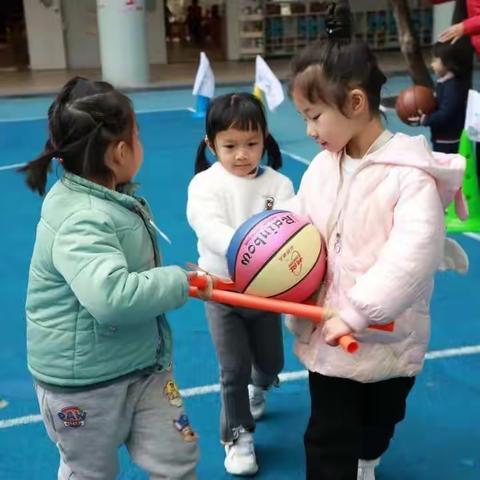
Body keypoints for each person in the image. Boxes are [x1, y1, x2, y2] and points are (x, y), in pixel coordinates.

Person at [285, 9, 466, 480]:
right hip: (330, 337)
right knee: (327, 434)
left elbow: (413, 255)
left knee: (380, 418)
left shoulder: (410, 177)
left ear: (357, 102)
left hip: (388, 335)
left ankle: (370, 452)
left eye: (314, 116)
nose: (310, 130)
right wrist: (263, 270)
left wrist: (361, 310)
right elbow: (297, 230)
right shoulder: (323, 168)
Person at [19, 76, 212, 480]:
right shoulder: (81, 217)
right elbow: (112, 297)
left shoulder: (108, 196)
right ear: (120, 151)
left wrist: (178, 281)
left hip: (144, 366)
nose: (141, 142)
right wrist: (178, 281)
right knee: (89, 471)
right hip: (82, 386)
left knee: (177, 456)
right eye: (137, 135)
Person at [186, 92, 294, 476]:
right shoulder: (204, 185)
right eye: (230, 145)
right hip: (221, 291)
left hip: (265, 295)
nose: (242, 154)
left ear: (265, 139)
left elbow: (291, 228)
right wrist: (250, 249)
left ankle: (260, 386)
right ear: (211, 144)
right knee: (232, 368)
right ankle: (237, 435)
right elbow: (209, 227)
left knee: (270, 364)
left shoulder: (279, 184)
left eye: (251, 144)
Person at [409, 41, 470, 154]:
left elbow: (446, 112)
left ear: (447, 62)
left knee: (447, 167)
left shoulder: (452, 87)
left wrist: (427, 119)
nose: (431, 64)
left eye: (435, 60)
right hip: (443, 137)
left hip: (449, 139)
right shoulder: (444, 83)